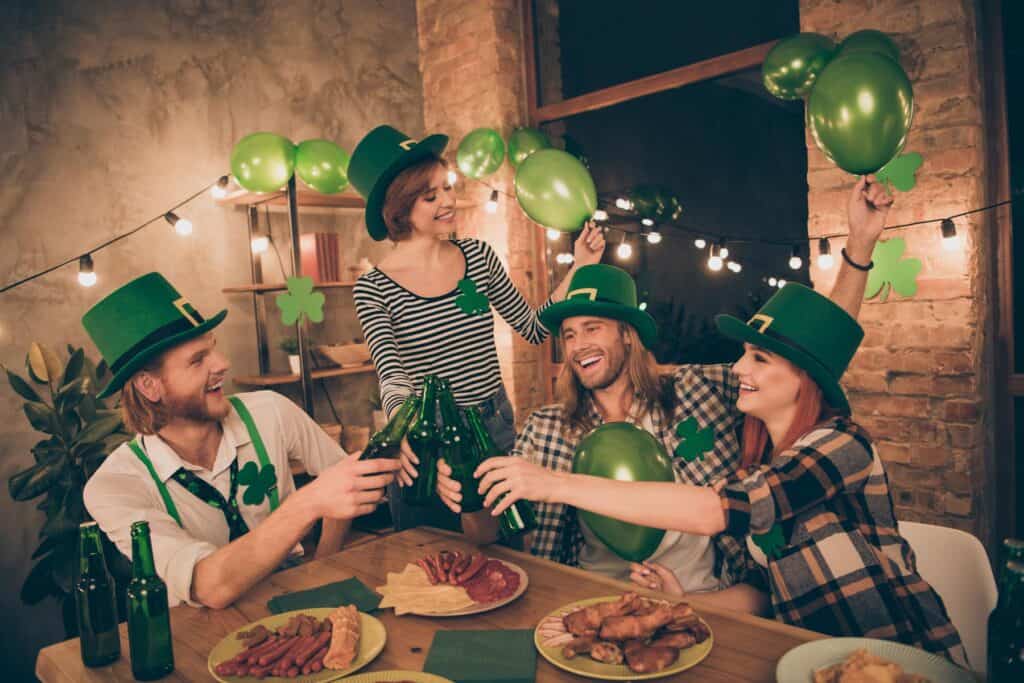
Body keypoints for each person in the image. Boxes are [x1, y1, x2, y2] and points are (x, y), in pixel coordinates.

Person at [436, 175, 894, 608]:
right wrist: (466, 495)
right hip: (587, 602)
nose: (578, 346)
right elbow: (499, 540)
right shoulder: (546, 428)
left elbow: (811, 356)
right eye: (569, 334)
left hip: (703, 597)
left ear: (628, 336)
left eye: (592, 328)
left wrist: (858, 248)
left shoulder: (702, 391)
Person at [471, 281, 967, 663]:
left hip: (898, 656)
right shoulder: (756, 459)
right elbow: (763, 589)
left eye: (758, 358)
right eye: (568, 333)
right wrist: (679, 604)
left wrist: (555, 482)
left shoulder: (842, 446)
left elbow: (719, 510)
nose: (736, 370)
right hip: (805, 655)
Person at [81, 273, 401, 608]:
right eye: (197, 359)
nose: (222, 364)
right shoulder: (114, 487)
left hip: (297, 595)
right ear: (150, 387)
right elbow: (208, 586)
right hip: (203, 631)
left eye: (213, 349)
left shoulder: (271, 411)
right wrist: (309, 502)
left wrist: (322, 564)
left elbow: (342, 483)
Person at [348, 125, 605, 531]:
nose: (449, 201)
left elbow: (535, 327)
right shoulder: (374, 288)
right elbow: (391, 370)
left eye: (447, 188)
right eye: (431, 196)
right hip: (426, 440)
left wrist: (581, 265)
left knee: (506, 555)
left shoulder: (478, 257)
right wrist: (404, 426)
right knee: (429, 560)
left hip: (492, 427)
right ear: (399, 210)